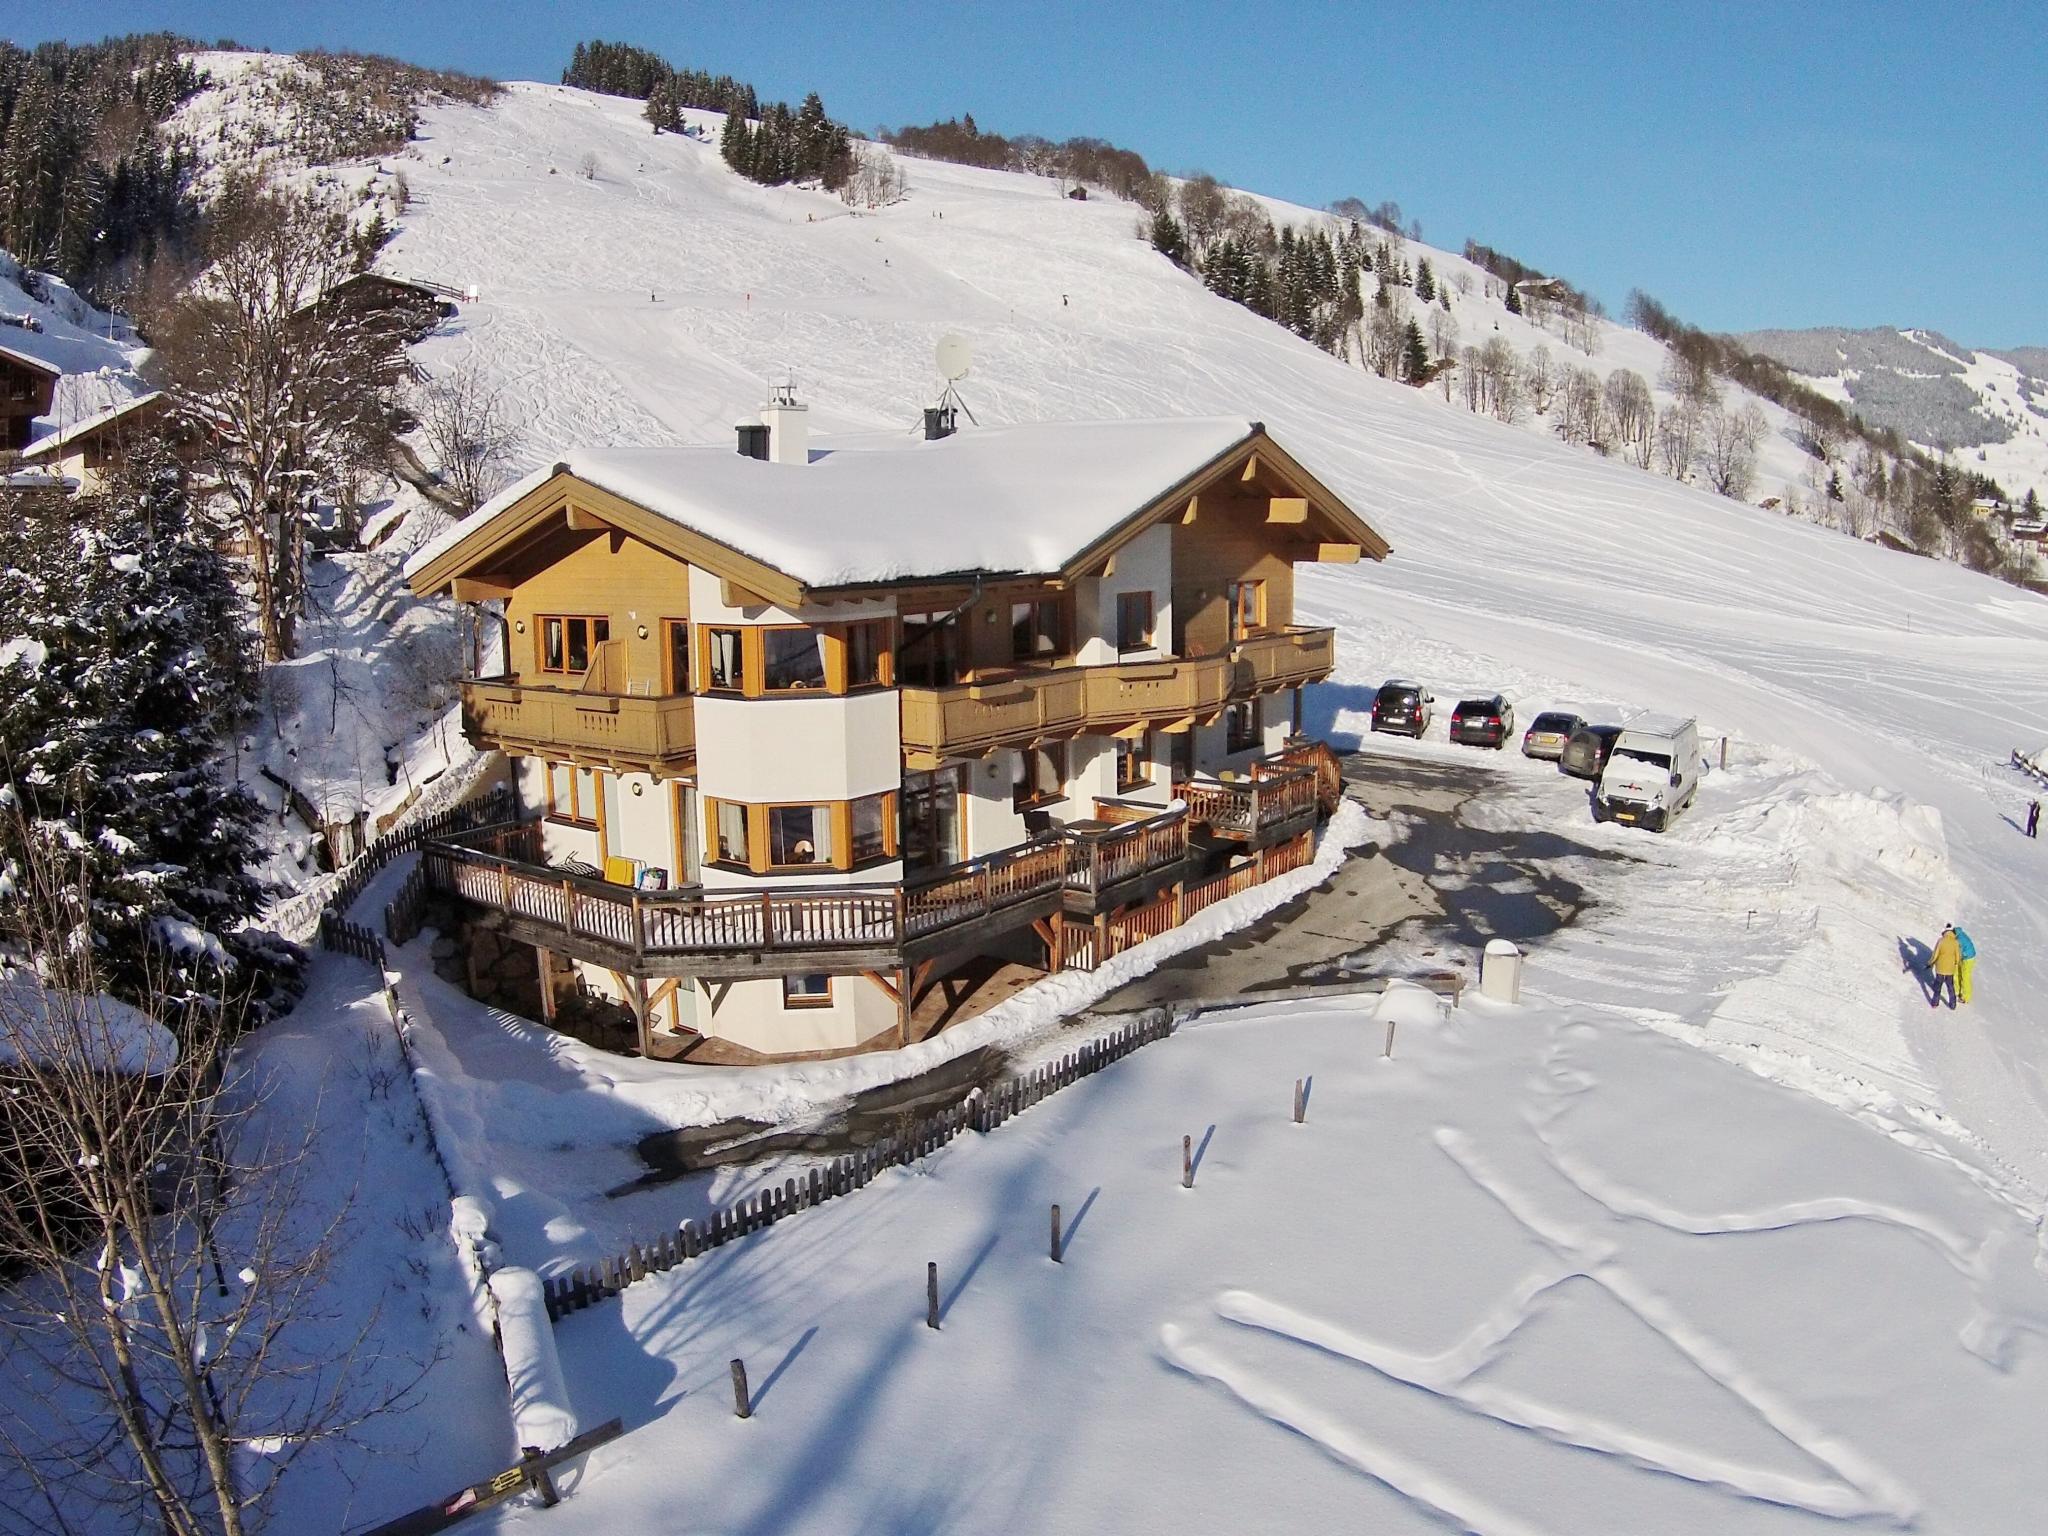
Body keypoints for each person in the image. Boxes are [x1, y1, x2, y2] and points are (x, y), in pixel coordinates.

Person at [1929, 924, 1961, 1009]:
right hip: (1950, 969)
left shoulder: (1941, 941)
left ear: (1945, 931)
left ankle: (1935, 1003)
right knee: (1950, 986)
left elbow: (1935, 955)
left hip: (1940, 968)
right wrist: (1956, 963)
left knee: (1938, 986)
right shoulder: (1955, 942)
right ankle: (1953, 1004)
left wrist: (1930, 963)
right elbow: (1958, 956)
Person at [1954, 923, 1978, 1004]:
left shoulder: (1958, 939)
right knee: (1961, 974)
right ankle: (1959, 991)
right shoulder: (1962, 935)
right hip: (1969, 957)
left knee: (1965, 977)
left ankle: (1965, 997)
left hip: (1967, 959)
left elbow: (1958, 952)